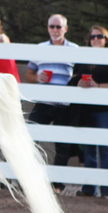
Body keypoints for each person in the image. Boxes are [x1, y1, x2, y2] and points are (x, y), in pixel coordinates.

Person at [25, 14, 80, 193]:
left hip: (64, 104)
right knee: (29, 138)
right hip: (43, 102)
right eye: (52, 27)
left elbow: (80, 74)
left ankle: (57, 185)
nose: (55, 30)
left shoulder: (75, 49)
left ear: (66, 28)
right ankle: (28, 179)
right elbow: (28, 76)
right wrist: (37, 77)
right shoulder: (39, 48)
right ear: (47, 28)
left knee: (62, 145)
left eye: (58, 27)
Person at [72, 25, 108, 198]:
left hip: (106, 110)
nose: (95, 39)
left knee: (105, 149)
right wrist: (78, 83)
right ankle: (89, 189)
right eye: (92, 37)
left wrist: (98, 86)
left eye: (99, 36)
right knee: (88, 149)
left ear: (106, 39)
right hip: (86, 110)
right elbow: (74, 77)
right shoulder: (83, 57)